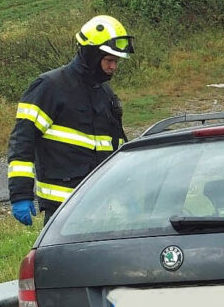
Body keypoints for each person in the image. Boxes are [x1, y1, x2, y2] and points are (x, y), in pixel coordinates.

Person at [7, 15, 132, 225]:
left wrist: (128, 192)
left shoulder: (105, 94)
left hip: (100, 206)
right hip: (62, 209)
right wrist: (20, 193)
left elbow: (116, 146)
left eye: (116, 61)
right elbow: (22, 141)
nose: (114, 67)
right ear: (92, 55)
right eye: (109, 60)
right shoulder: (49, 87)